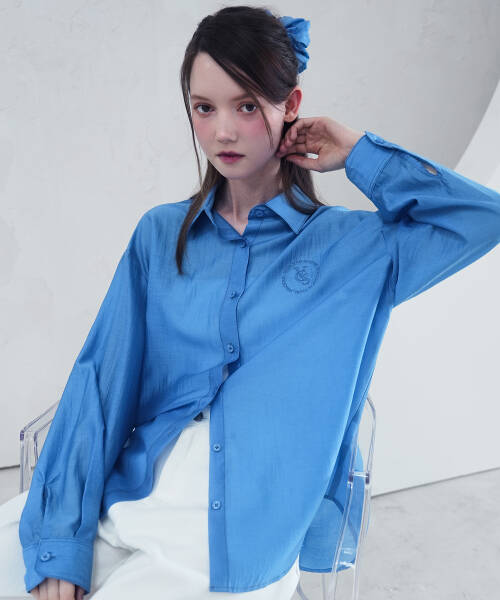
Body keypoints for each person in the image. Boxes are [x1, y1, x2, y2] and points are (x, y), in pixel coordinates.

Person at [1, 4, 499, 600]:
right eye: (204, 108)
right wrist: (61, 538)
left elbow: (481, 218)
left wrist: (358, 152)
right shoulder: (160, 236)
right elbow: (99, 389)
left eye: (246, 106)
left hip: (241, 532)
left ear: (291, 106)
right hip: (133, 490)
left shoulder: (355, 249)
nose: (223, 132)